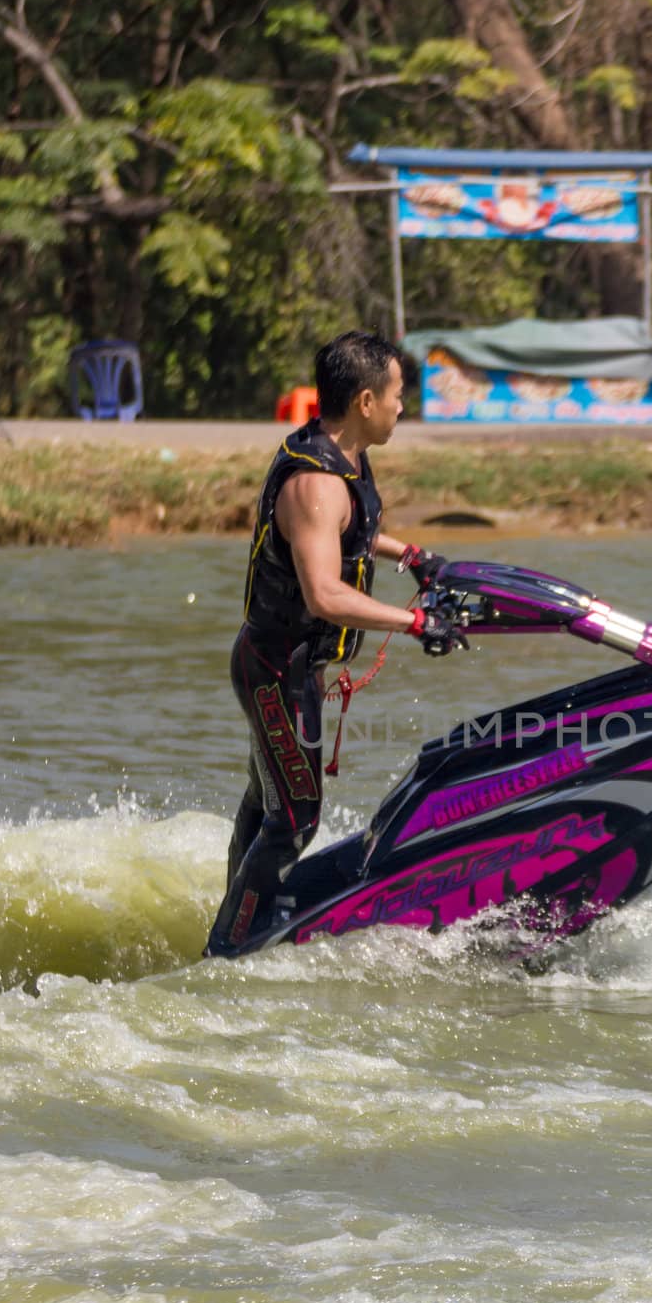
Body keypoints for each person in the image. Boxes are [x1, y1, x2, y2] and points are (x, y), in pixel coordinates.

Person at [205, 329, 462, 957]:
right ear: (366, 401)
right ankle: (228, 951)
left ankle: (234, 918)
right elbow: (323, 592)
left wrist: (413, 556)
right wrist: (416, 624)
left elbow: (349, 534)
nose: (405, 406)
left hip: (295, 666)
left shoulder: (341, 459)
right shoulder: (315, 485)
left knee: (267, 800)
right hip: (275, 669)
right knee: (294, 818)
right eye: (399, 395)